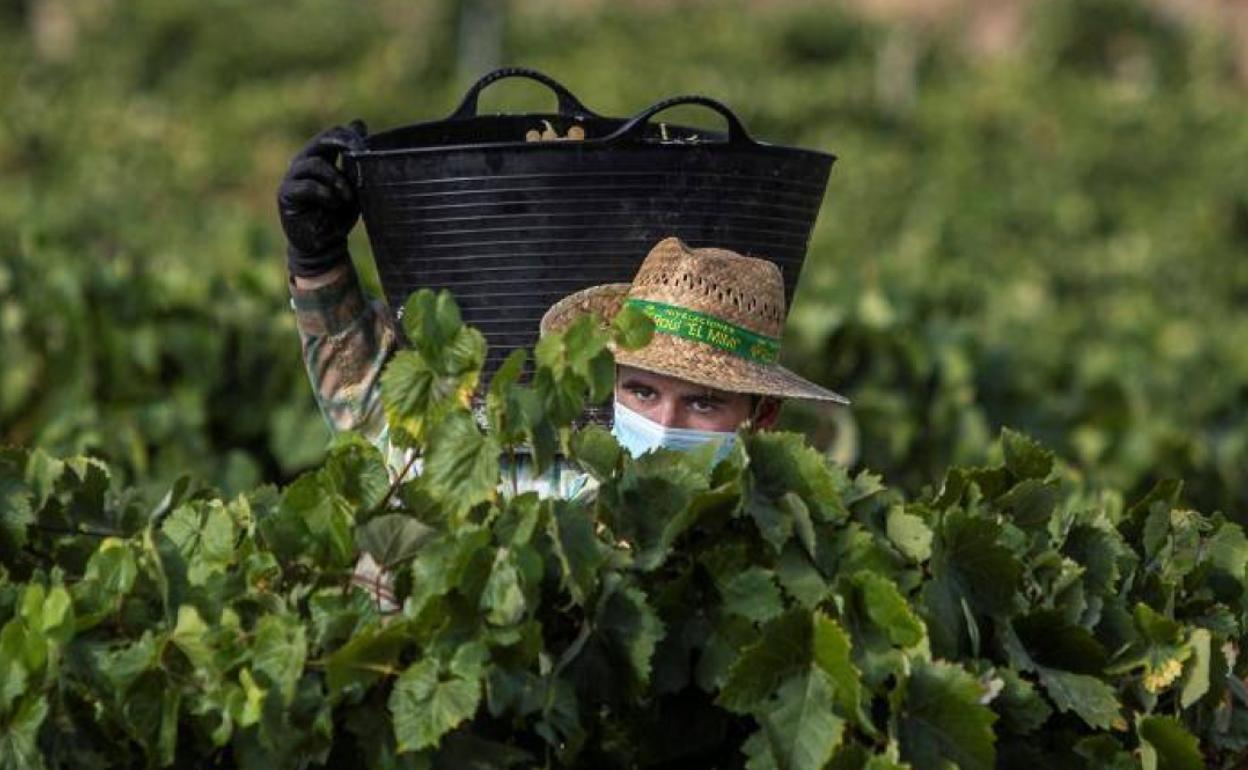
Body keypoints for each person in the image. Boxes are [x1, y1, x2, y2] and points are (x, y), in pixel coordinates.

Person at [278, 124, 848, 608]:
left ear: (763, 417)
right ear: (612, 386)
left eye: (704, 402)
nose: (665, 422)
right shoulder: (546, 487)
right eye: (643, 392)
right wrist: (318, 258)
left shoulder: (783, 552)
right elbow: (378, 421)